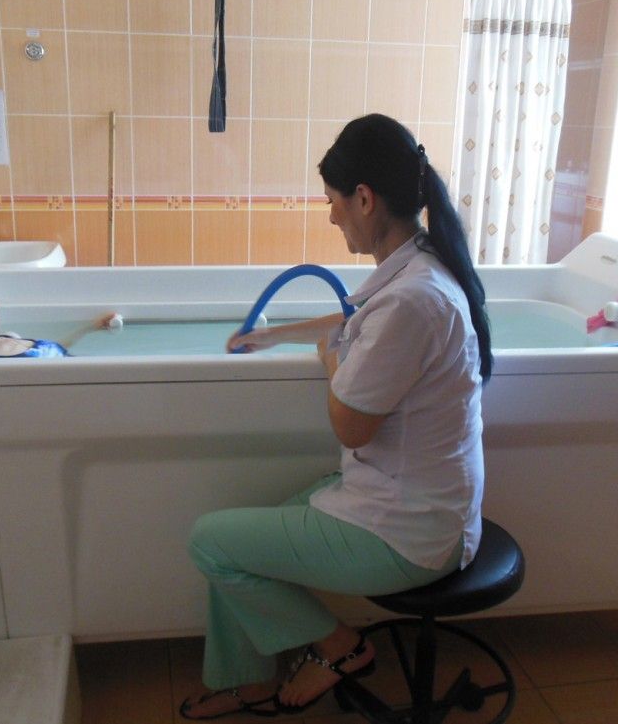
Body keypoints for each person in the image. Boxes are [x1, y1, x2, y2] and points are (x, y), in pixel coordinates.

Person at [179, 113, 494, 719]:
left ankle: (339, 648)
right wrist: (271, 337)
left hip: (410, 534)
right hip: (415, 504)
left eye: (332, 201)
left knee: (211, 542)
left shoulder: (412, 300)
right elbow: (353, 325)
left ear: (365, 199)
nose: (330, 216)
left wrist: (331, 359)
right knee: (246, 533)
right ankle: (247, 678)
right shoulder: (420, 267)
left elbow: (350, 422)